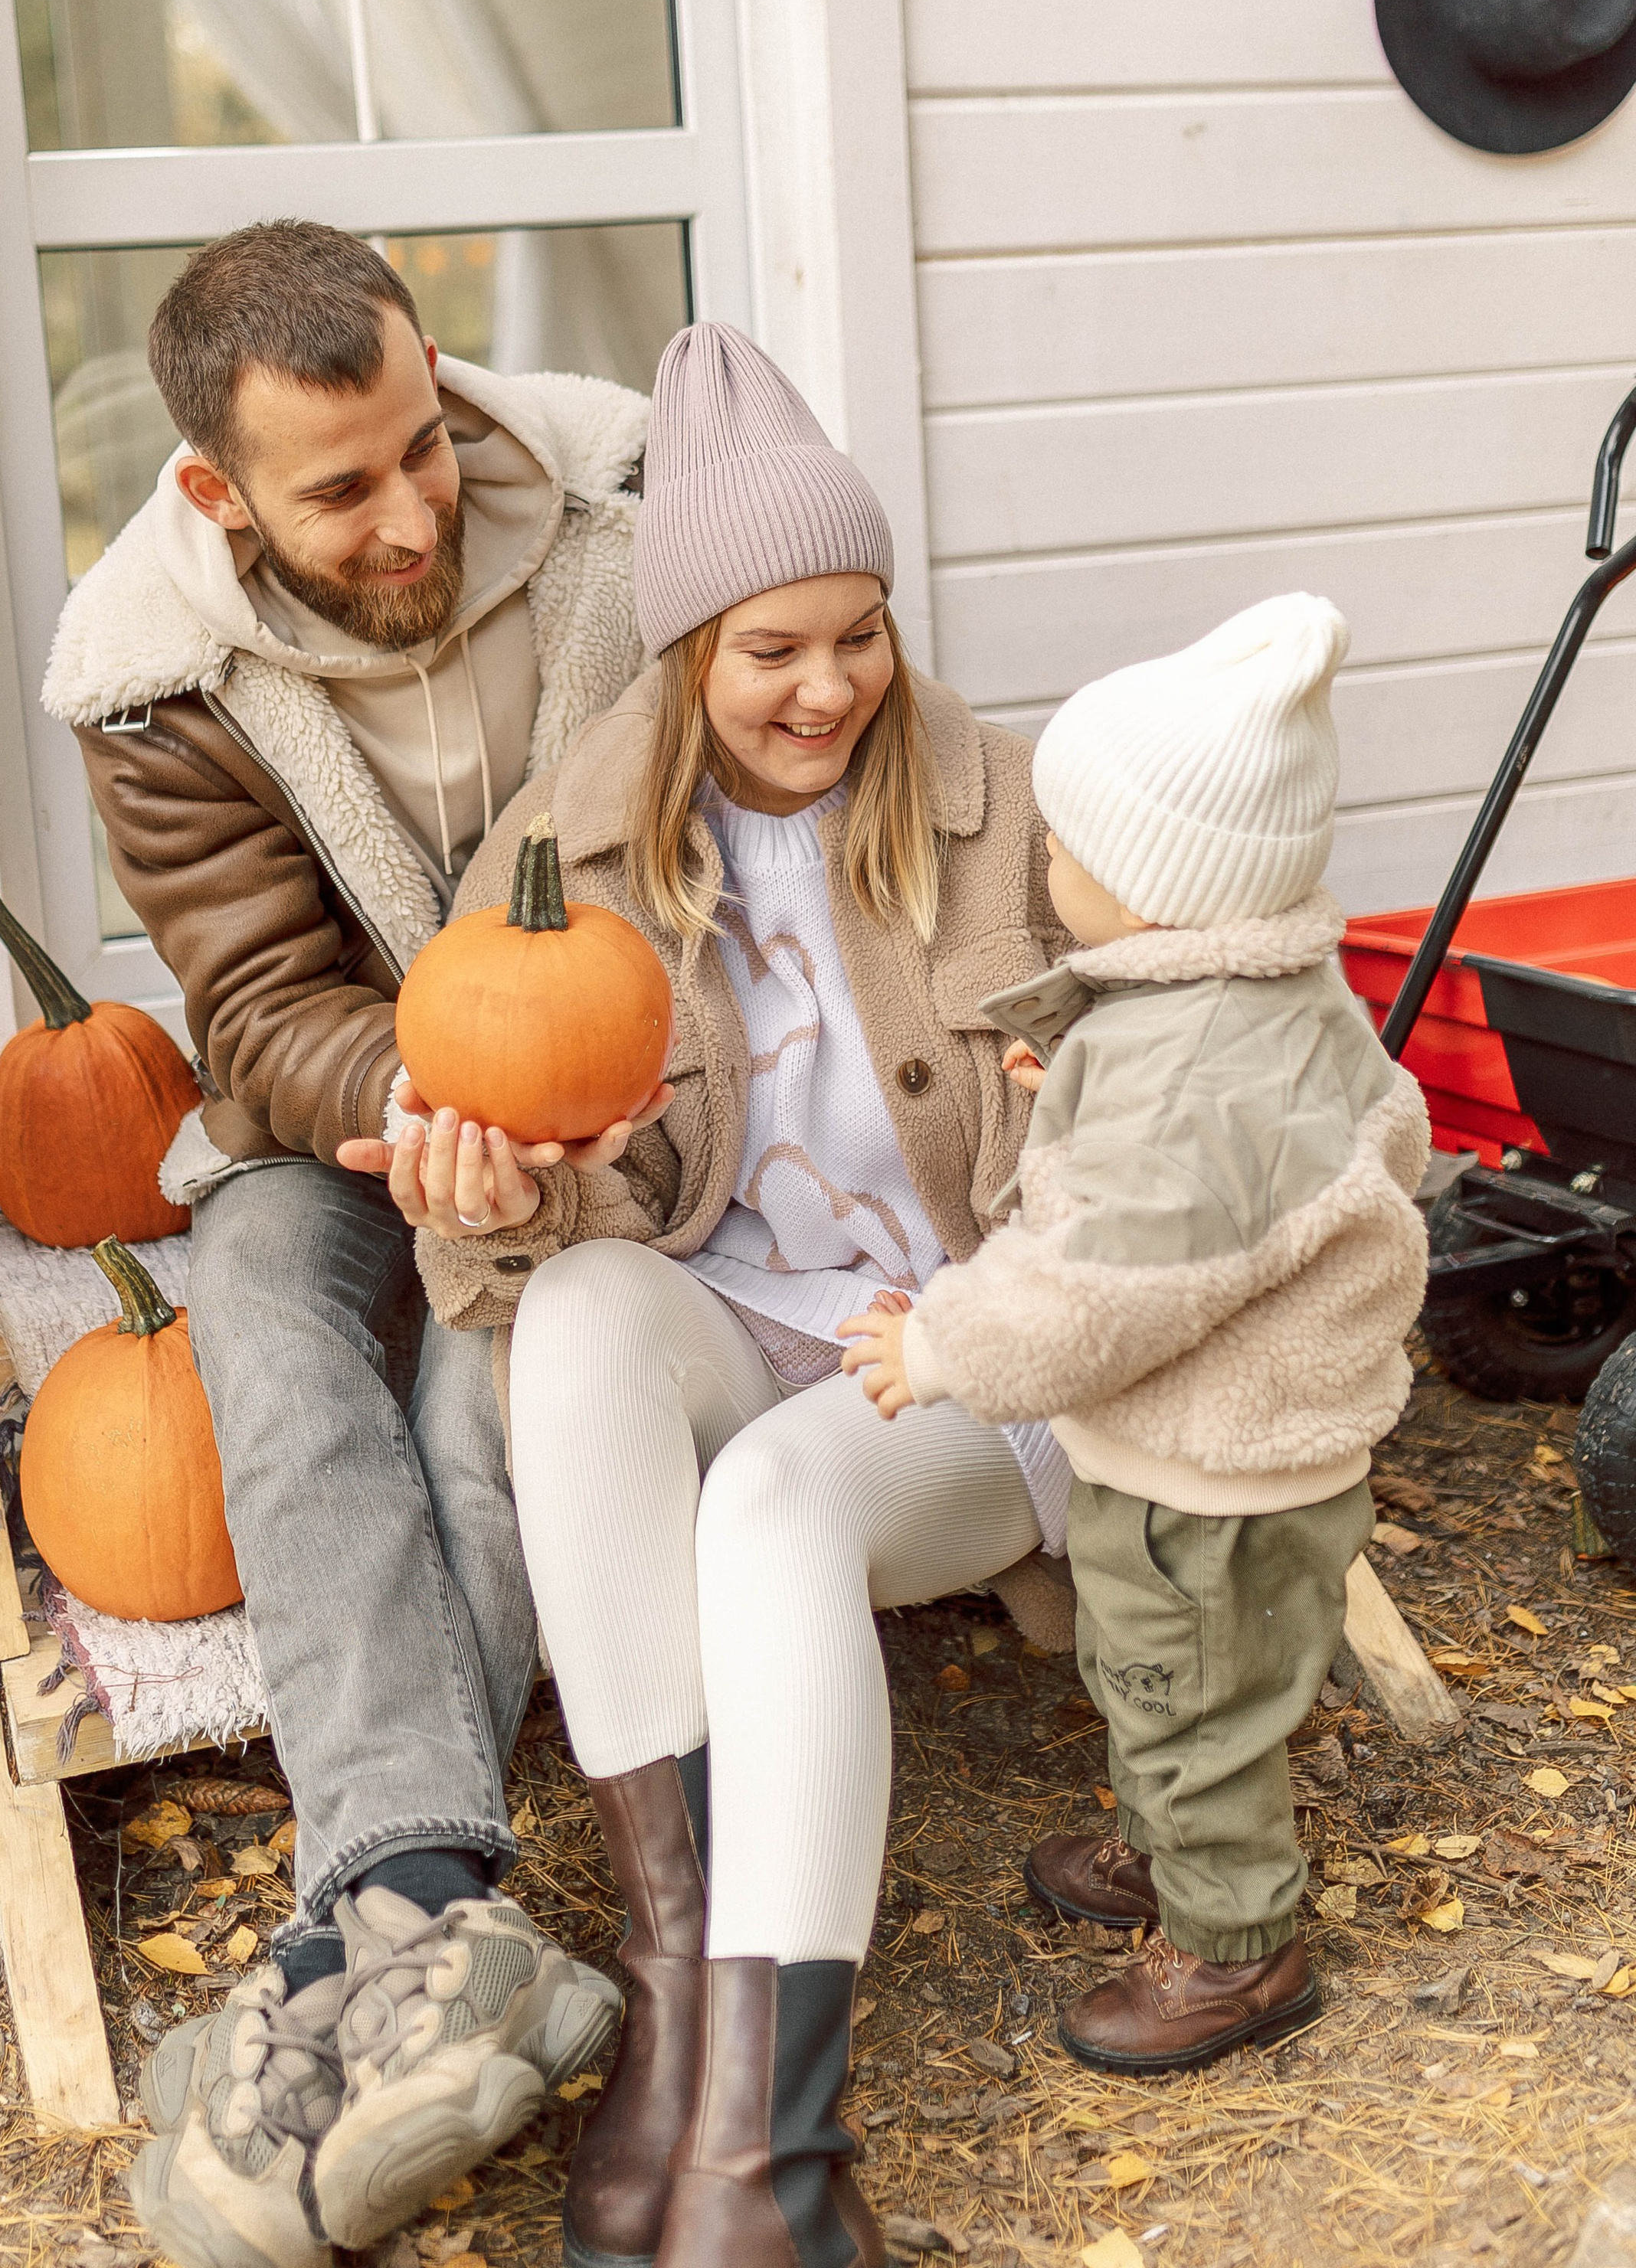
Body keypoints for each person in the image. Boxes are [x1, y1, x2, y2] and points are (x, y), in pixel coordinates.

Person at [344, 324, 1075, 2268]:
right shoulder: (567, 854)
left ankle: (767, 2155)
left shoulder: (1012, 812)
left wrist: (1066, 1116)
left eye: (859, 636)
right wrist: (509, 1197)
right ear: (684, 653)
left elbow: (1159, 1117)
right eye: (771, 649)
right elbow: (488, 1242)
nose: (825, 686)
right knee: (580, 1311)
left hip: (967, 1355)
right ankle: (677, 2007)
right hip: (743, 1323)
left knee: (765, 1503)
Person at [40, 221, 653, 2263]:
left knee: (488, 1376)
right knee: (258, 1305)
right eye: (340, 490)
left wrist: (572, 1104)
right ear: (218, 494)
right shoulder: (150, 681)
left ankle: (377, 1914)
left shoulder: (613, 516)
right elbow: (256, 1001)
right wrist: (425, 1102)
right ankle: (433, 1911)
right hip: (350, 1100)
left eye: (423, 444)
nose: (411, 514)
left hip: (623, 1075)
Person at [843, 595, 1432, 2075]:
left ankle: (1237, 1946)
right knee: (1153, 1670)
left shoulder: (1193, 1083)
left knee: (1193, 1705)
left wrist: (943, 1351)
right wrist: (1093, 1092)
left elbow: (1097, 1289)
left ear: (1162, 896)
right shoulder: (1269, 996)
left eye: (1065, 848)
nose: (1043, 863)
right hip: (1221, 1453)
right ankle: (1175, 1852)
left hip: (1209, 1485)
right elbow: (1354, 1138)